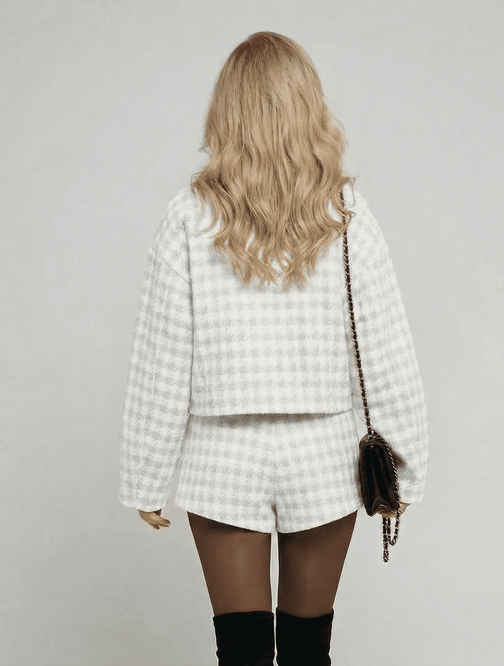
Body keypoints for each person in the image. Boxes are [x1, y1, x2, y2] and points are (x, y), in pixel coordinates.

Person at [118, 31, 429, 666]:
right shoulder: (346, 212)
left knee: (242, 653)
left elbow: (162, 359)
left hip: (221, 454)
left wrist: (145, 476)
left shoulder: (187, 216)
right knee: (310, 651)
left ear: (225, 110)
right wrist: (407, 467)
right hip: (323, 453)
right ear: (309, 104)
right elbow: (386, 350)